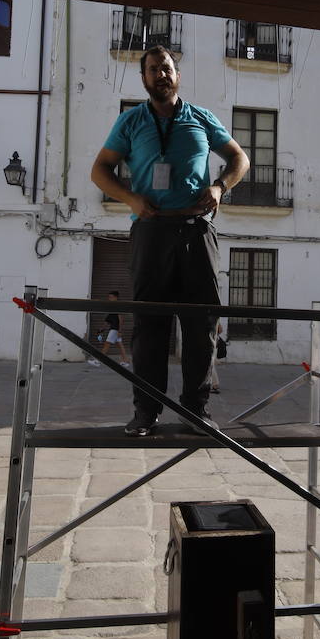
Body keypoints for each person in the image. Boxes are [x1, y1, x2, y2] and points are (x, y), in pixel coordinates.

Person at [91, 46, 249, 435]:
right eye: (153, 70)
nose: (161, 75)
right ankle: (146, 412)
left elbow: (239, 159)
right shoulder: (130, 122)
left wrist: (219, 186)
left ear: (177, 75)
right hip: (151, 231)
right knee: (149, 327)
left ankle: (196, 410)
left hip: (198, 230)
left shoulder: (201, 118)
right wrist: (129, 198)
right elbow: (100, 170)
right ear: (143, 78)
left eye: (167, 68)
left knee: (201, 327)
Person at [209, 321, 225, 393]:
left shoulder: (211, 319)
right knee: (210, 364)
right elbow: (220, 330)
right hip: (213, 343)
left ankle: (215, 384)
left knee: (210, 365)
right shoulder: (214, 319)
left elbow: (220, 330)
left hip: (211, 344)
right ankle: (213, 384)